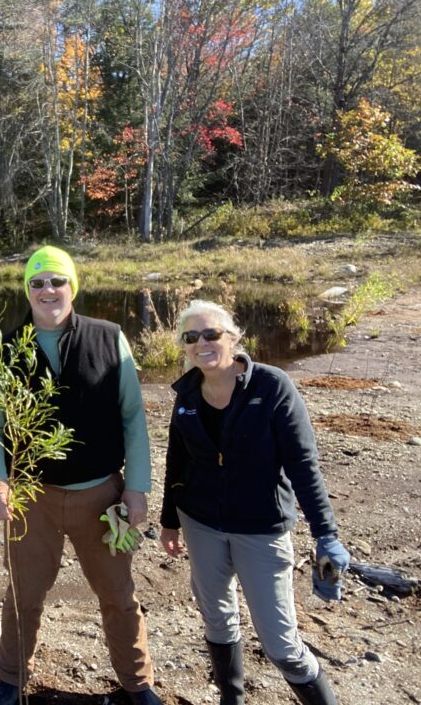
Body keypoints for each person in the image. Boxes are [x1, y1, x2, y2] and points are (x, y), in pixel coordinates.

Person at [0, 245, 162, 705]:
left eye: (57, 281)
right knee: (24, 592)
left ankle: (137, 682)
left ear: (72, 286)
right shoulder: (5, 347)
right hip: (31, 497)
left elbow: (132, 417)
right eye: (37, 282)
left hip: (101, 495)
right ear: (27, 291)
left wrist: (136, 487)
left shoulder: (108, 337)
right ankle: (11, 677)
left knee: (118, 593)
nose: (48, 290)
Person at [160, 299, 349, 705]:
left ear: (233, 338)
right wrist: (169, 521)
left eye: (211, 334)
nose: (201, 343)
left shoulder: (272, 385)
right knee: (217, 617)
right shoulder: (187, 393)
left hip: (261, 529)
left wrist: (326, 534)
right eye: (191, 337)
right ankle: (233, 698)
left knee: (281, 643)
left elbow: (302, 463)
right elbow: (177, 459)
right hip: (202, 523)